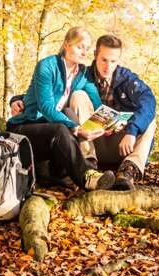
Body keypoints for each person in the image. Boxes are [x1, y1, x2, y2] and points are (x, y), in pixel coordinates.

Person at [7, 26, 116, 191]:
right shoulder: (46, 66)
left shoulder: (82, 73)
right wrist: (76, 129)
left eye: (86, 49)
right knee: (61, 127)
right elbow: (46, 107)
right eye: (79, 47)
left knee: (68, 113)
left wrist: (111, 122)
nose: (83, 52)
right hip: (25, 128)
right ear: (66, 44)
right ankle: (87, 177)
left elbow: (96, 103)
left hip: (50, 133)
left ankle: (65, 172)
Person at [84, 33, 158, 191]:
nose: (108, 66)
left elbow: (149, 101)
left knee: (149, 119)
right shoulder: (82, 76)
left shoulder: (127, 79)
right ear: (95, 55)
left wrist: (132, 130)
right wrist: (18, 100)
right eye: (104, 60)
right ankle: (87, 166)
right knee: (77, 96)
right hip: (91, 142)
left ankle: (128, 171)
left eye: (113, 61)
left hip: (120, 145)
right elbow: (52, 93)